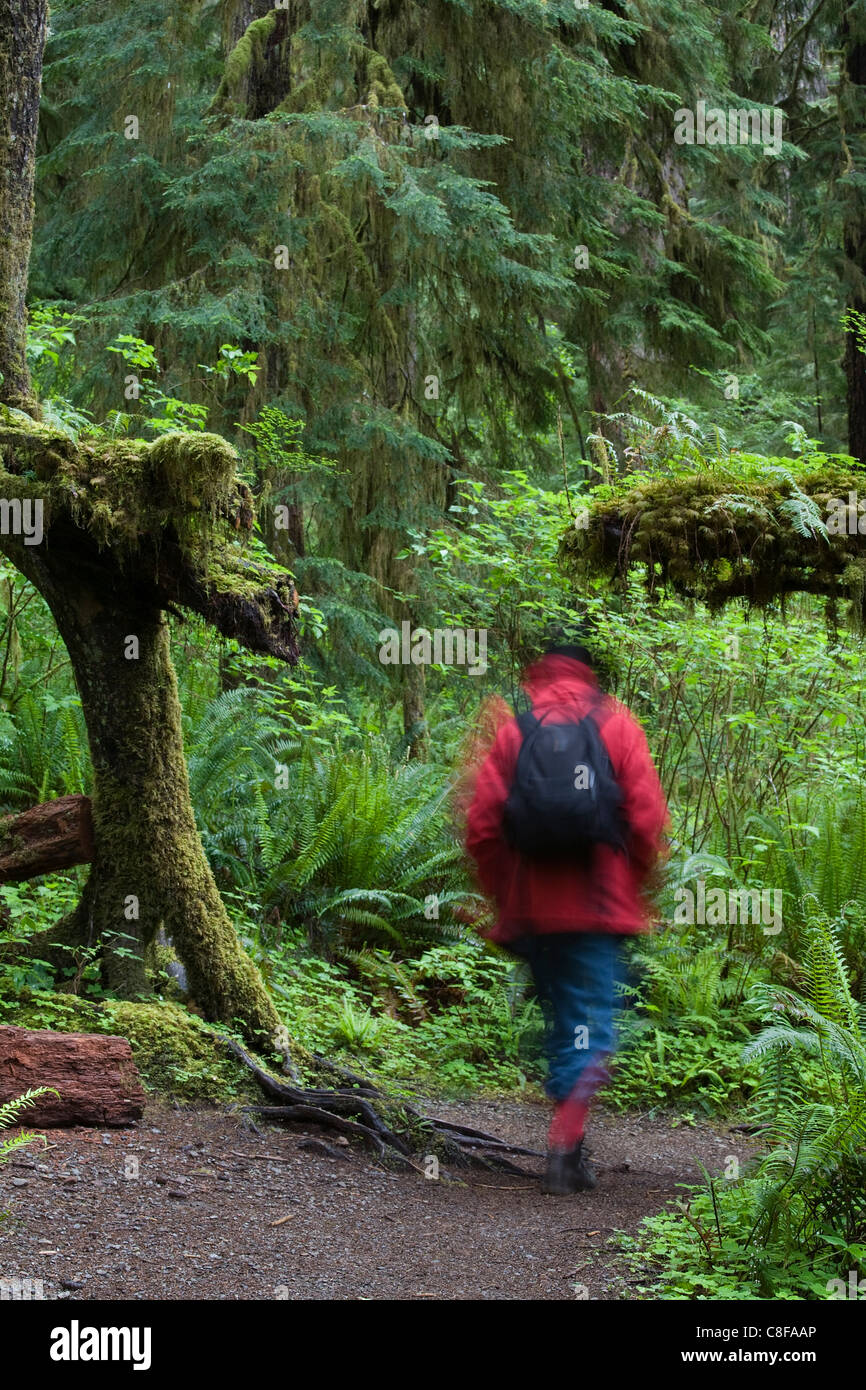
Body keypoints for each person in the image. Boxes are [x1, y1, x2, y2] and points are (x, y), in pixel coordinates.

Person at [465, 638, 669, 1195]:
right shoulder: (617, 726)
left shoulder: (516, 731)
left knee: (565, 1021)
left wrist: (506, 895)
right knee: (593, 1026)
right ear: (589, 674)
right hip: (599, 909)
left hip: (534, 913)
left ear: (540, 673)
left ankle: (567, 1143)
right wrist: (638, 881)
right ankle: (563, 1150)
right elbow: (647, 818)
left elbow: (481, 827)